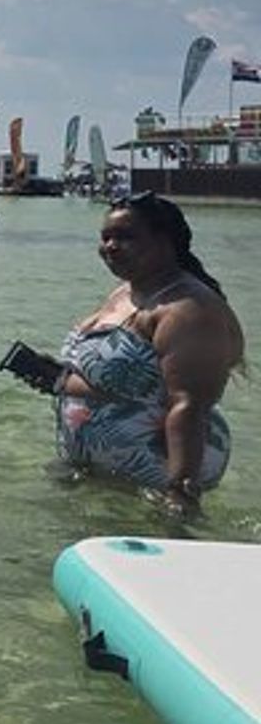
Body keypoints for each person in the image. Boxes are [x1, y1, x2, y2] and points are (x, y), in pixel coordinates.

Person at [53, 193, 243, 514]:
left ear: (166, 241)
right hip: (100, 469)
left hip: (156, 476)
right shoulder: (128, 291)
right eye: (106, 237)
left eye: (125, 237)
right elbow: (120, 379)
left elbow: (188, 406)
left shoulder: (188, 310)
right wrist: (58, 378)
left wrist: (179, 497)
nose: (110, 246)